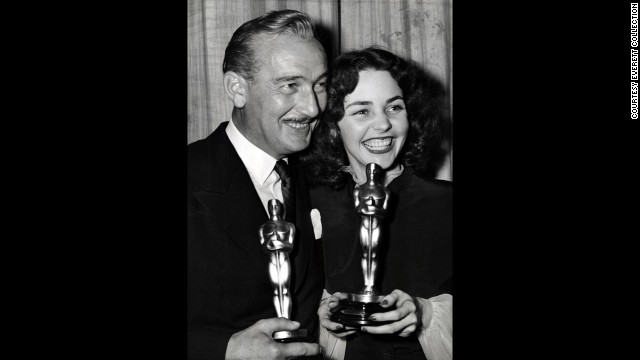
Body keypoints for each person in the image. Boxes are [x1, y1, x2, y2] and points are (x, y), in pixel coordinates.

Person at [187, 9, 328, 360]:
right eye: (290, 85)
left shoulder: (316, 178)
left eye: (320, 86)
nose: (312, 107)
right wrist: (225, 349)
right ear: (237, 88)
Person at [300, 47, 452, 360]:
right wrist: (323, 314)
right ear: (332, 126)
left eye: (394, 108)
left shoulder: (447, 202)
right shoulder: (307, 201)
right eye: (362, 111)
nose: (382, 124)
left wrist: (426, 312)